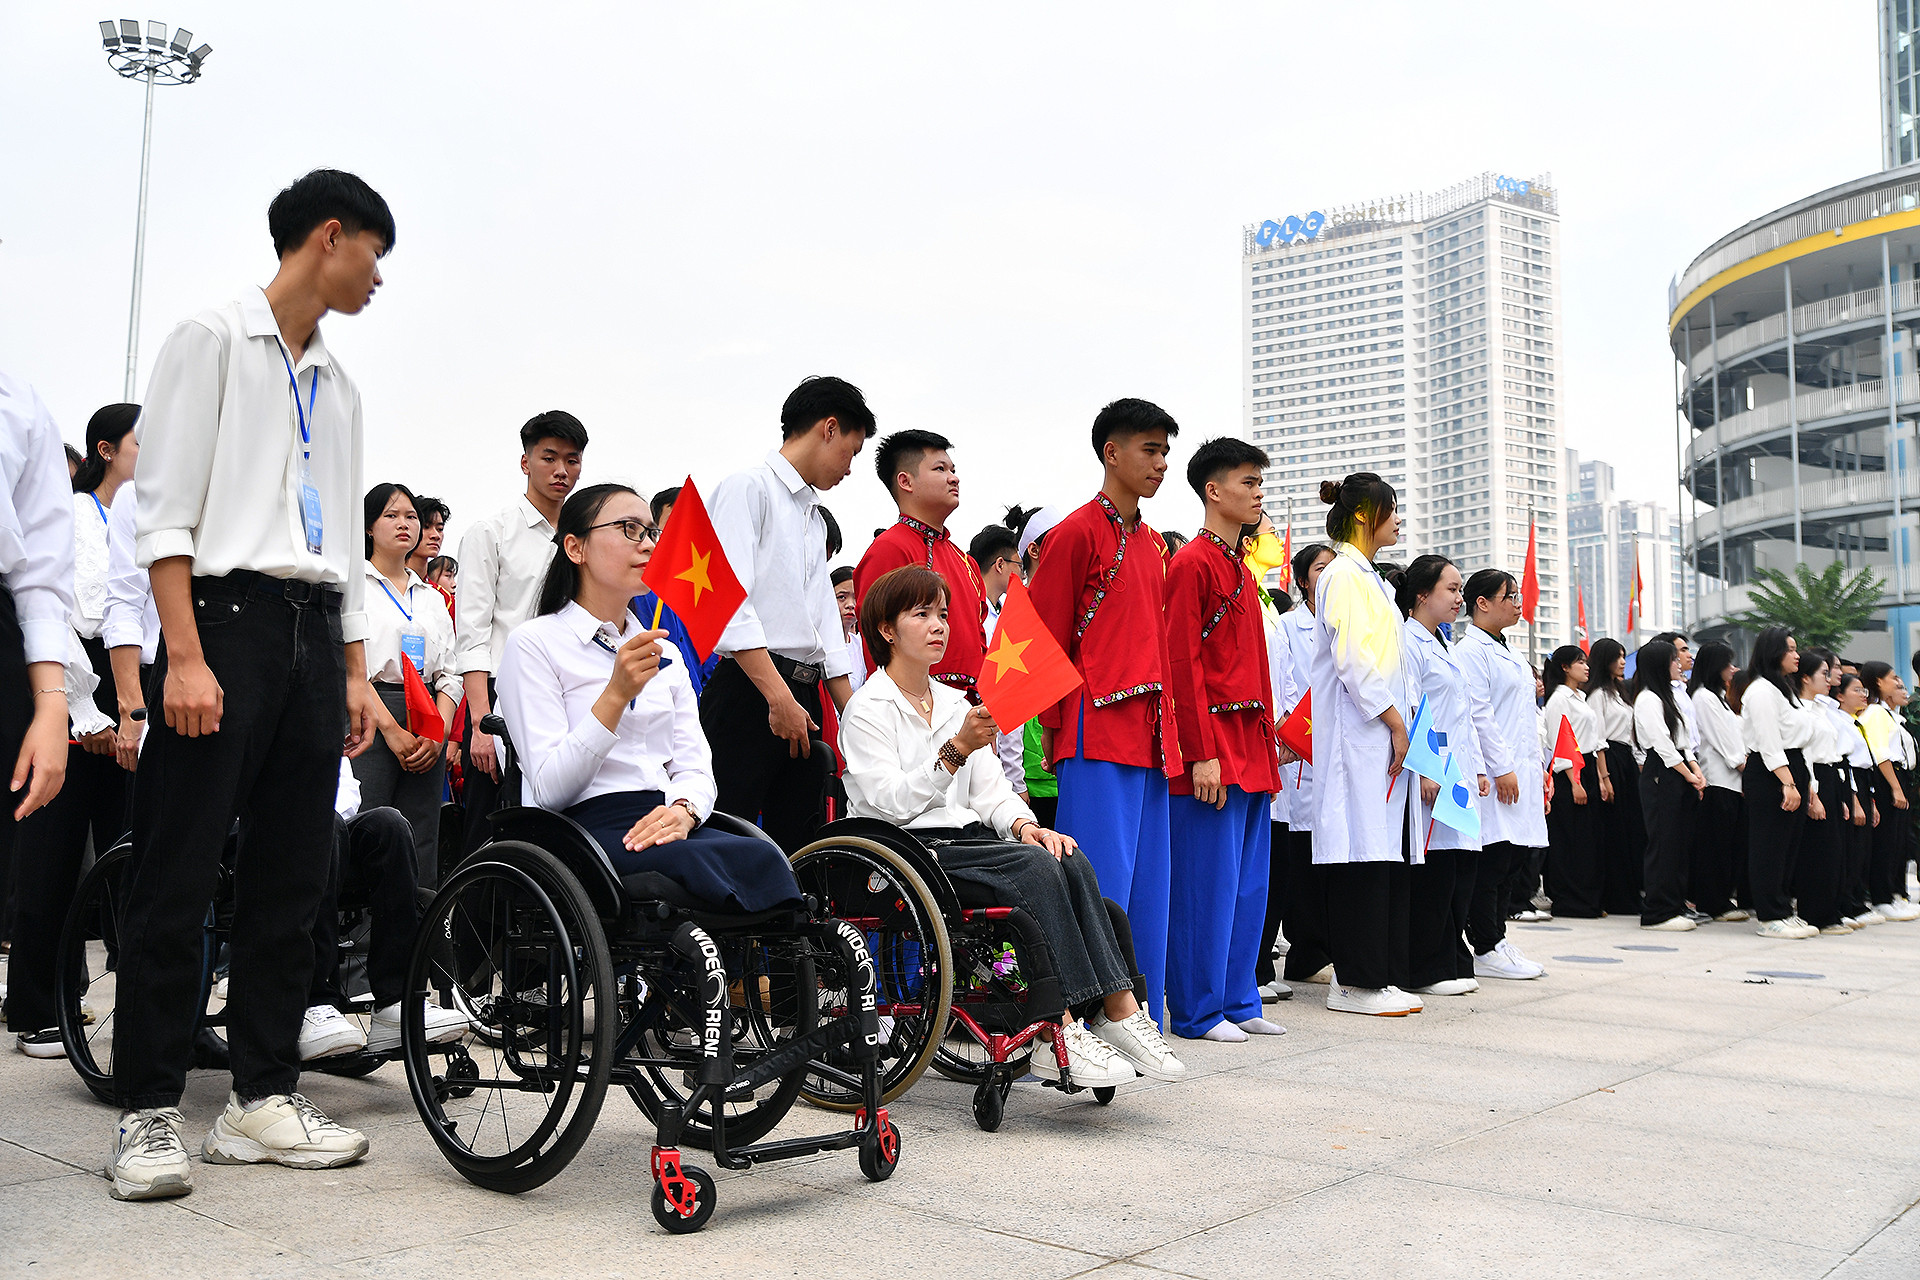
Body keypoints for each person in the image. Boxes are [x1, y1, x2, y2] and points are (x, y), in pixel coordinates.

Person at [109, 170, 391, 1199]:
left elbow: (349, 549)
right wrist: (181, 654)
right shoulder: (210, 336)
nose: (376, 278)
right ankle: (146, 1106)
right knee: (177, 872)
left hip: (313, 629)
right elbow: (165, 509)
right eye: (373, 253)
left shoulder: (343, 386)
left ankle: (259, 1096)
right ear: (329, 236)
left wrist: (355, 670)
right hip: (222, 619)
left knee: (293, 874)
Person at [839, 565, 1185, 1085]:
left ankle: (1121, 1010)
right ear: (887, 630)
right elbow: (888, 803)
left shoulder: (955, 701)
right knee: (1035, 873)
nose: (939, 626)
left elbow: (991, 792)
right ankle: (1060, 1028)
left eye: (943, 614)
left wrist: (1027, 827)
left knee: (1064, 856)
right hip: (906, 849)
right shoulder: (868, 708)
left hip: (968, 841)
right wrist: (954, 750)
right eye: (922, 615)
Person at [496, 483, 803, 913]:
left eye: (650, 532)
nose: (648, 544)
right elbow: (549, 789)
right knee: (697, 862)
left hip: (664, 817)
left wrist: (685, 810)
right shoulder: (535, 644)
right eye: (629, 529)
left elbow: (694, 763)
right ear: (575, 547)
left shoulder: (666, 652)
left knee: (764, 856)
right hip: (581, 828)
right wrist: (615, 695)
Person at [1027, 399, 1182, 1024]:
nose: (1161, 463)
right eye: (1150, 449)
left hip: (1148, 734)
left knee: (1150, 890)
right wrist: (1050, 725)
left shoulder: (1151, 543)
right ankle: (1086, 1021)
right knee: (1099, 886)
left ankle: (1142, 1015)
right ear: (1111, 453)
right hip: (1094, 727)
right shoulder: (1075, 533)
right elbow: (1039, 636)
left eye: (1166, 451)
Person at [6, 405, 130, 1054]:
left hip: (127, 690)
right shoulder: (78, 515)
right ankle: (33, 1006)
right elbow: (61, 609)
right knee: (52, 857)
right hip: (74, 685)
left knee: (129, 856)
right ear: (106, 449)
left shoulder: (143, 522)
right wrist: (87, 714)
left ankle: (141, 1000)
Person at [703, 376, 867, 852]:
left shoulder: (812, 519)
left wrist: (854, 720)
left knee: (797, 844)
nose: (849, 469)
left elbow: (825, 632)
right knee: (725, 834)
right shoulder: (746, 489)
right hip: (750, 692)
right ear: (829, 429)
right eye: (851, 453)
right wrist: (777, 697)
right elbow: (731, 604)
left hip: (801, 693)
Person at [1162, 438, 1285, 1042]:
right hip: (1212, 741)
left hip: (1251, 740)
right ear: (1213, 490)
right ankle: (1195, 1008)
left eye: (1259, 482)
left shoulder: (1240, 566)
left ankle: (1239, 995)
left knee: (1247, 880)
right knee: (1205, 882)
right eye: (1247, 481)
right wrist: (1199, 750)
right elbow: (1182, 663)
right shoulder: (1190, 564)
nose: (1258, 492)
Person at [1310, 473, 1420, 1017]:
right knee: (1358, 853)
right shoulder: (1345, 576)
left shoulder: (1370, 578)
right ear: (1364, 515)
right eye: (1391, 509)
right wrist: (1397, 722)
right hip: (1360, 735)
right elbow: (1355, 661)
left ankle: (1375, 975)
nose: (1398, 519)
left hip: (1379, 735)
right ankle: (1353, 981)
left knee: (1378, 855)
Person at [454, 411, 588, 858]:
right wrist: (479, 724)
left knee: (557, 830)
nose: (561, 471)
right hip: (501, 696)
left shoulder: (584, 538)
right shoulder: (491, 534)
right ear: (526, 462)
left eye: (572, 460)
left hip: (568, 689)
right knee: (488, 831)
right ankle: (467, 921)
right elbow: (472, 637)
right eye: (549, 458)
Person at [296, 758, 469, 1060]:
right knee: (324, 821)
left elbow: (346, 787)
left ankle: (395, 1001)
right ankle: (315, 1001)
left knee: (389, 825)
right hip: (271, 831)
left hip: (328, 829)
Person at [354, 483, 461, 886]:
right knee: (369, 824)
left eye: (411, 516)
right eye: (392, 515)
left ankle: (421, 941)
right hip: (371, 714)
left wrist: (439, 730)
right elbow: (353, 669)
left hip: (428, 718)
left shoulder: (432, 598)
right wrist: (392, 730)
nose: (405, 524)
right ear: (368, 527)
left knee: (421, 836)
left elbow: (449, 672)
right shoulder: (354, 587)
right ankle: (360, 941)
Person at [1396, 554, 1483, 998]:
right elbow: (1414, 710)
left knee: (1455, 870)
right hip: (1431, 772)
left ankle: (1450, 958)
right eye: (1450, 589)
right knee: (1433, 875)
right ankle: (1426, 968)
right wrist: (1428, 769)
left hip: (1457, 772)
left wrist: (1478, 770)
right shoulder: (1409, 643)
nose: (1458, 598)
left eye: (1460, 589)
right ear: (1421, 595)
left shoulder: (1442, 642)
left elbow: (1462, 714)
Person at [1455, 570, 1547, 980]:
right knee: (1492, 861)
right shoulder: (1470, 652)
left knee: (1512, 859)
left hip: (1520, 770)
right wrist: (1502, 767)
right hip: (1494, 774)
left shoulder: (1507, 650)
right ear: (1482, 603)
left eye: (1517, 594)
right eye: (1508, 595)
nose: (1516, 602)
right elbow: (1479, 714)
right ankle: (1486, 943)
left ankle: (1498, 938)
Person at [854, 430, 987, 696]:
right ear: (905, 481)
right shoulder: (889, 549)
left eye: (952, 469)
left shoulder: (966, 561)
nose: (954, 477)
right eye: (940, 469)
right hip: (916, 711)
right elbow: (877, 646)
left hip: (972, 711)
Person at [1277, 542, 1335, 987]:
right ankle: (1305, 952)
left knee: (1328, 857)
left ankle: (1324, 946)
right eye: (1320, 568)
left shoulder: (1343, 624)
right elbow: (1290, 690)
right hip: (1296, 756)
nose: (1330, 574)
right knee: (1298, 860)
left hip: (1334, 755)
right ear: (1301, 580)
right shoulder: (1288, 626)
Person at [1737, 626, 1819, 939]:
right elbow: (1769, 743)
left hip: (1792, 766)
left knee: (1788, 844)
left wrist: (1804, 781)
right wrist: (1787, 783)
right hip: (1771, 771)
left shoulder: (1782, 688)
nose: (1797, 655)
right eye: (1791, 649)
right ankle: (1770, 915)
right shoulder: (1759, 691)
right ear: (1774, 653)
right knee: (1769, 845)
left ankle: (1783, 908)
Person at [1633, 639, 1708, 931]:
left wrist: (1694, 769)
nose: (1679, 664)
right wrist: (1687, 773)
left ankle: (1675, 904)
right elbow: (1661, 744)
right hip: (1661, 772)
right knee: (1663, 841)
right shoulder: (1648, 698)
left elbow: (1684, 742)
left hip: (1679, 770)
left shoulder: (1670, 697)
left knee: (1679, 842)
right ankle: (1657, 910)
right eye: (1673, 660)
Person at [631, 484, 721, 699]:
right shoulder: (638, 586)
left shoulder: (704, 587)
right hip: (652, 698)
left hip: (696, 705)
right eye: (674, 523)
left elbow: (710, 658)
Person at [1541, 645, 1607, 919]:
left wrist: (1602, 778)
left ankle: (1587, 898)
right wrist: (1575, 781)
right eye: (1580, 662)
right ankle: (1570, 900)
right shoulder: (1559, 699)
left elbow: (1593, 738)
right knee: (1570, 838)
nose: (1586, 667)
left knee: (1586, 838)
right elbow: (1560, 742)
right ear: (1565, 667)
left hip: (1587, 766)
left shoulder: (1580, 697)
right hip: (1570, 771)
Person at [1788, 649, 1849, 935]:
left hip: (1831, 776)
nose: (1829, 678)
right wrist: (1813, 795)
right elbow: (1807, 755)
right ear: (1805, 678)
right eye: (1823, 673)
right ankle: (1815, 912)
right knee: (1817, 850)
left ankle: (1830, 910)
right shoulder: (1799, 710)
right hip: (1815, 778)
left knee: (1834, 848)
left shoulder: (1822, 709)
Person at [1687, 642, 1749, 922]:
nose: (1733, 670)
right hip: (1718, 779)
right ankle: (1712, 901)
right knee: (1716, 846)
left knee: (1728, 844)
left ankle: (1722, 897)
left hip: (1733, 780)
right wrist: (1742, 763)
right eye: (1728, 664)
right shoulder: (1703, 697)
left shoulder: (1719, 697)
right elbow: (1720, 737)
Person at [1585, 637, 1645, 916]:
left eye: (1624, 656)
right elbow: (1598, 738)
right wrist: (1604, 776)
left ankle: (1631, 892)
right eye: (1617, 657)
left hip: (1628, 760)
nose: (1623, 662)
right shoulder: (1598, 695)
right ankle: (1617, 895)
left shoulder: (1620, 691)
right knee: (1616, 830)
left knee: (1632, 829)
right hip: (1611, 760)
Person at [1858, 661, 1920, 920]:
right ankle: (1882, 897)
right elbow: (1880, 753)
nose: (1898, 682)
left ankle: (1894, 894)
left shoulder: (1891, 715)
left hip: (1900, 776)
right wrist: (1895, 787)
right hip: (1887, 778)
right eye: (1893, 677)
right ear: (1878, 682)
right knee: (1886, 842)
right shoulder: (1874, 713)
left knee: (1897, 842)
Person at [971, 517, 1027, 799]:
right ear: (1000, 565)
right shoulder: (974, 616)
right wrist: (1016, 782)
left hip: (994, 758)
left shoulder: (1005, 613)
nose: (1023, 574)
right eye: (1019, 565)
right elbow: (1009, 706)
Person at [1831, 670, 1881, 929]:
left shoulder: (1853, 721)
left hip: (1863, 782)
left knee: (1862, 848)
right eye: (1856, 690)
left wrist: (1870, 799)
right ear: (1839, 695)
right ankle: (1848, 903)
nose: (1863, 694)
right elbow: (1846, 762)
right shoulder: (1837, 721)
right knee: (1851, 848)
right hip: (1849, 782)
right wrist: (1855, 800)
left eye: (1864, 690)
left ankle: (1858, 900)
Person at [406, 495, 449, 582]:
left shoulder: (439, 594)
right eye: (426, 527)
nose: (436, 535)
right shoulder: (380, 585)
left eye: (440, 529)